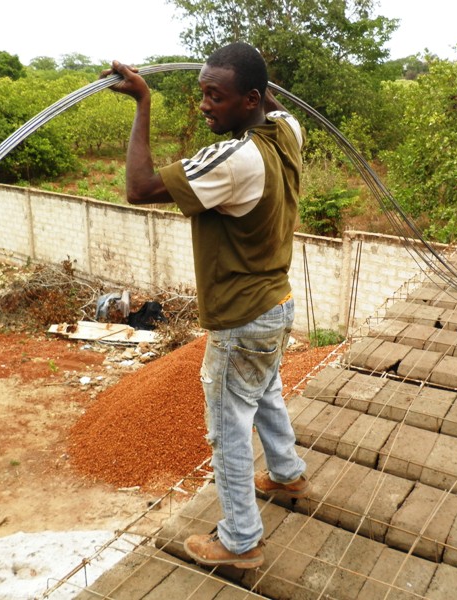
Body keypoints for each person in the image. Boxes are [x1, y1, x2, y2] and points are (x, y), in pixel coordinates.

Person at [101, 42, 308, 569]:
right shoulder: (286, 130)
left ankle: (240, 539)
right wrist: (245, 80)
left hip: (241, 318)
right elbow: (276, 100)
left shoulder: (236, 159)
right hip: (276, 306)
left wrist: (142, 102)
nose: (204, 106)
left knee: (227, 426)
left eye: (215, 96)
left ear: (250, 99)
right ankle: (287, 475)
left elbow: (139, 187)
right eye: (202, 94)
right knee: (265, 391)